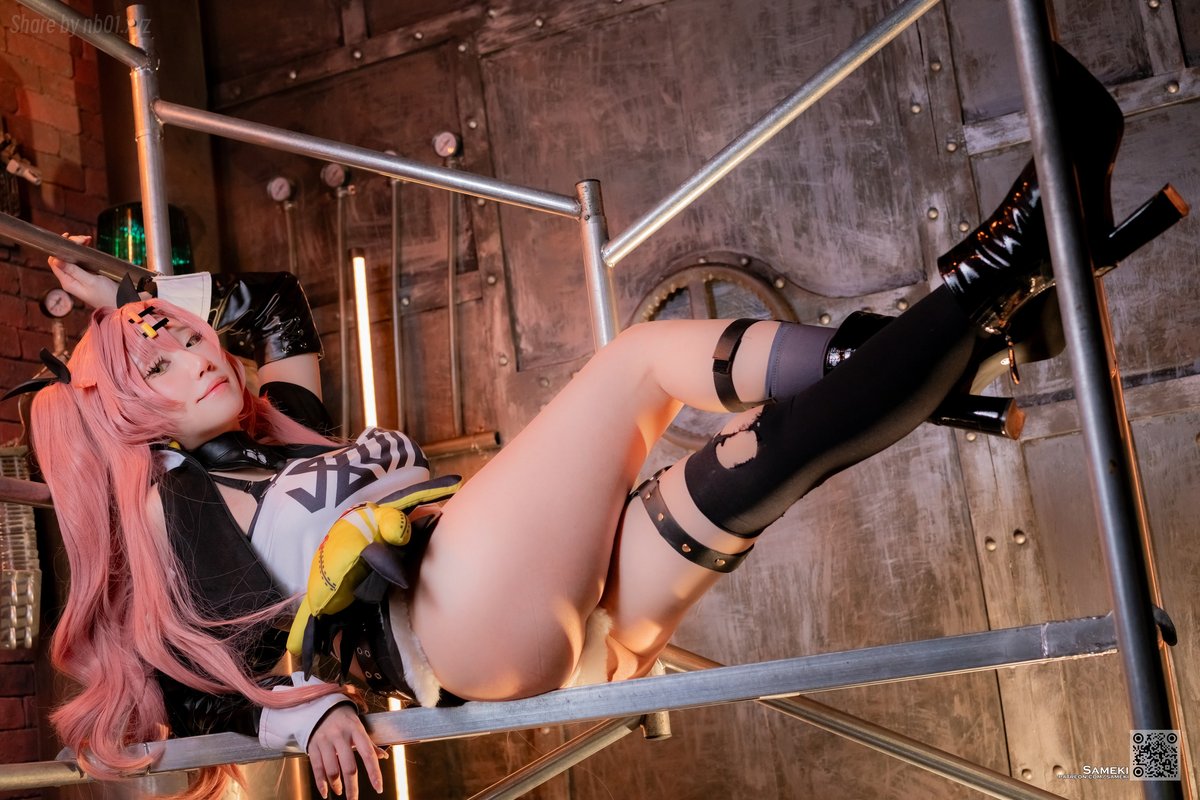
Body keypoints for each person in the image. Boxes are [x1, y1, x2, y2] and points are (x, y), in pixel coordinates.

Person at [11, 46, 1183, 800]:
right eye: (158, 362)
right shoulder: (176, 509)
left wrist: (140, 298)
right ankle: (981, 293)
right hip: (449, 624)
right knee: (638, 367)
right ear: (131, 418)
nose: (195, 350)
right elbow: (200, 682)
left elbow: (273, 304)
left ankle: (975, 320)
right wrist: (309, 712)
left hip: (560, 633)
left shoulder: (287, 427)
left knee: (761, 462)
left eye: (185, 333)